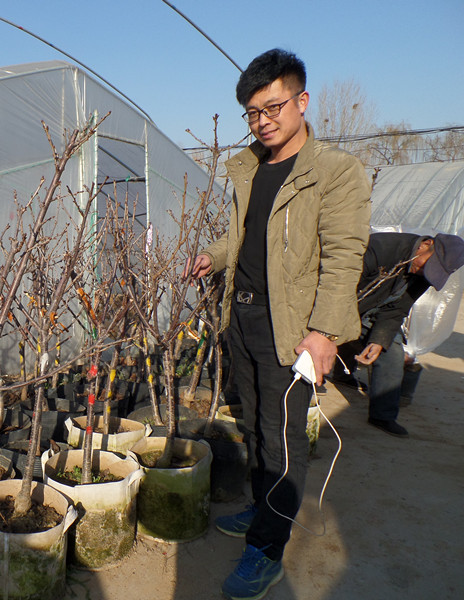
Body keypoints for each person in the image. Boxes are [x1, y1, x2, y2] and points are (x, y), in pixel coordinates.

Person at [186, 49, 371, 600]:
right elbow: (245, 236)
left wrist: (325, 332)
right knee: (252, 425)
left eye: (272, 107)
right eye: (252, 112)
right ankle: (261, 507)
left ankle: (266, 549)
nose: (262, 121)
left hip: (289, 326)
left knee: (282, 436)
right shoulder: (251, 168)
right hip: (241, 316)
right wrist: (215, 256)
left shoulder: (334, 171)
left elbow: (343, 256)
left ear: (301, 101)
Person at [338, 232, 464, 437]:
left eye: (431, 272)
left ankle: (382, 415)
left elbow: (397, 309)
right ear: (425, 244)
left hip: (374, 311)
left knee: (392, 350)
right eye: (426, 266)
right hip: (343, 302)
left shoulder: (424, 274)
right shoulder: (380, 248)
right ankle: (336, 372)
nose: (423, 272)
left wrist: (379, 340)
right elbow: (340, 289)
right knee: (341, 333)